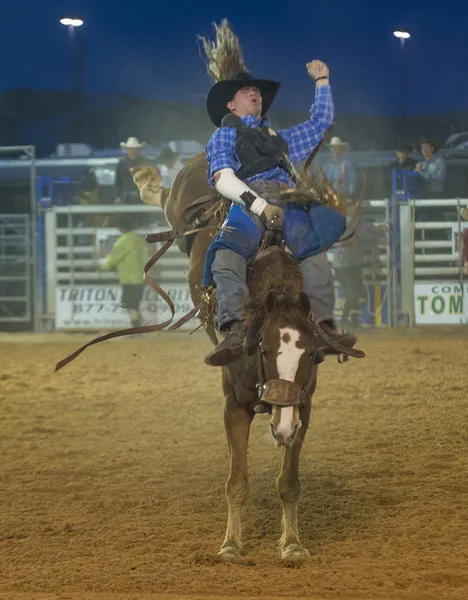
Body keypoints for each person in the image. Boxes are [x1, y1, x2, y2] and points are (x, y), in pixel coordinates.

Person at [202, 60, 357, 367]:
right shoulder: (224, 135)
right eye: (246, 92)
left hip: (289, 200)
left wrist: (322, 81)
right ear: (231, 105)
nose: (254, 94)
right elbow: (223, 177)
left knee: (312, 252)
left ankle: (324, 327)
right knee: (226, 255)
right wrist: (259, 205)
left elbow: (320, 124)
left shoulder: (281, 138)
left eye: (256, 91)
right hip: (249, 201)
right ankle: (234, 328)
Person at [101, 215, 149, 328]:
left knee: (129, 304)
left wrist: (105, 266)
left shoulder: (123, 241)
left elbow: (115, 257)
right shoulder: (139, 240)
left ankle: (136, 325)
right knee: (133, 304)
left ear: (121, 228)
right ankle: (139, 323)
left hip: (129, 278)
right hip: (140, 277)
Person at [115, 137, 159, 204]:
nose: (132, 150)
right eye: (130, 149)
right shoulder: (121, 165)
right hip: (126, 199)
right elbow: (117, 183)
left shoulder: (147, 163)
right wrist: (118, 196)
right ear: (127, 149)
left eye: (134, 148)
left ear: (139, 149)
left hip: (143, 199)